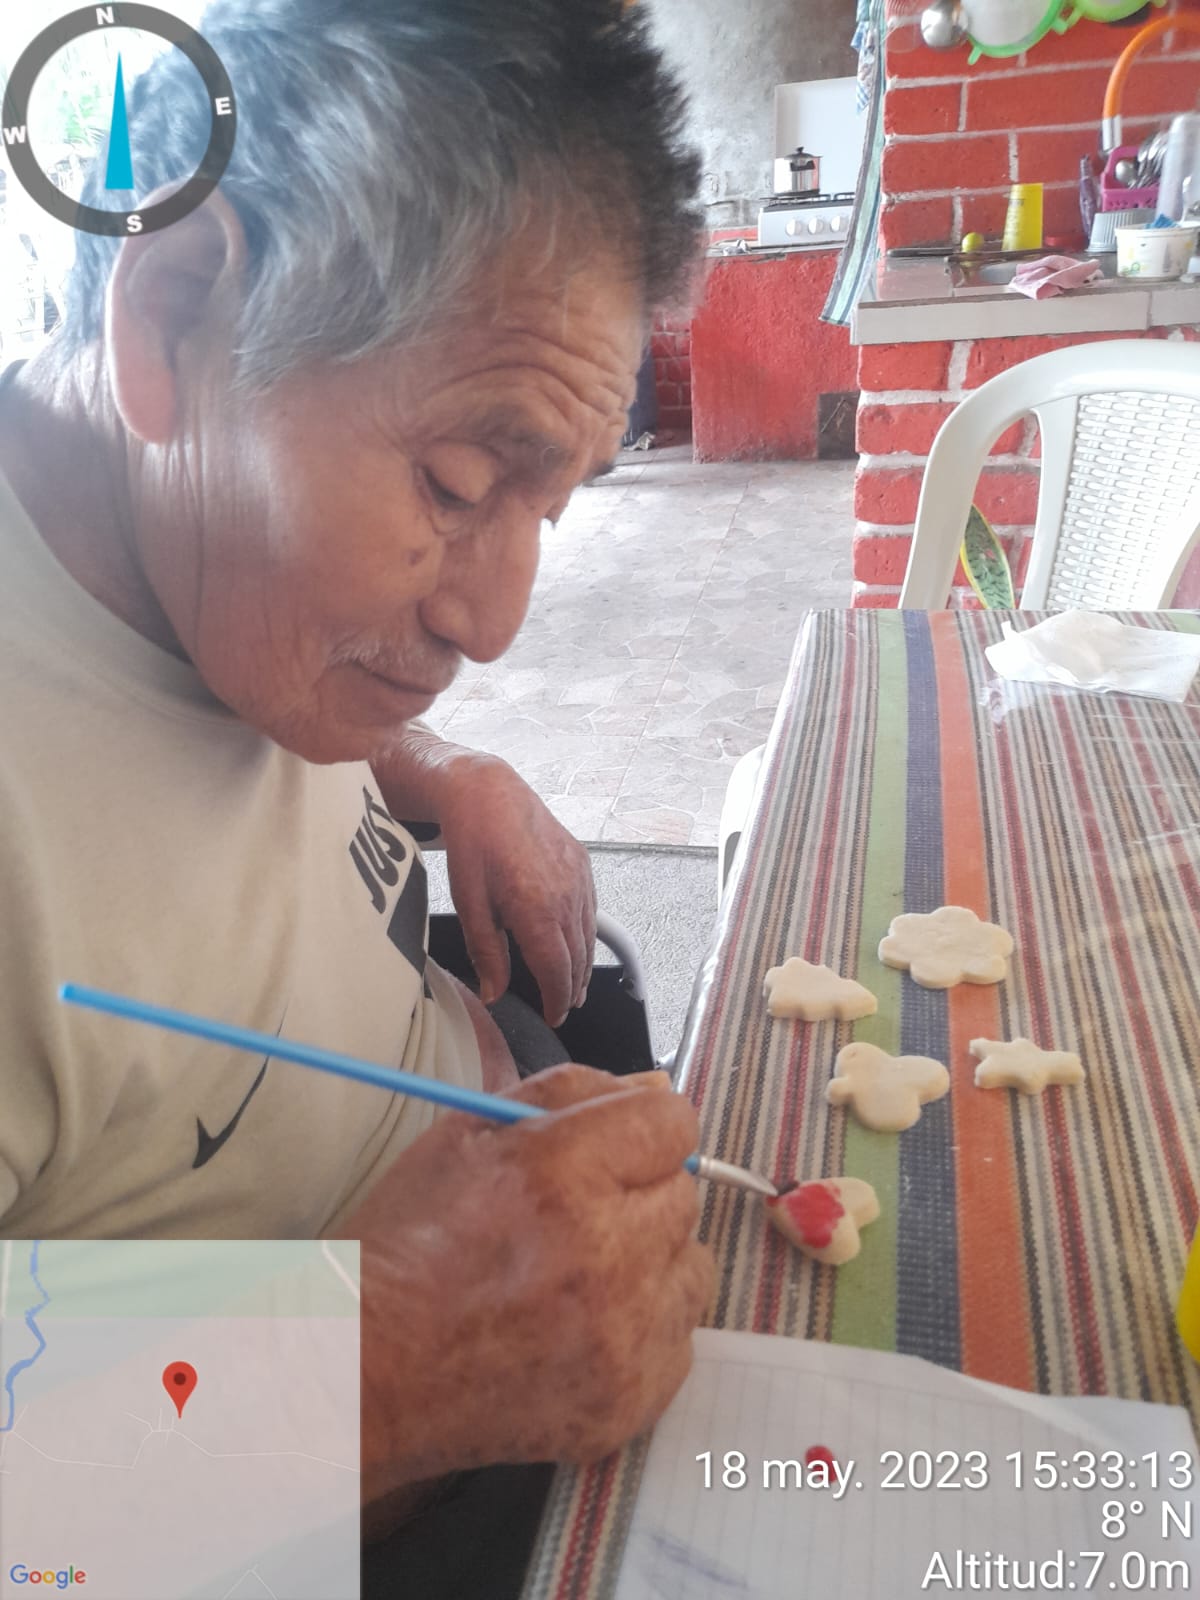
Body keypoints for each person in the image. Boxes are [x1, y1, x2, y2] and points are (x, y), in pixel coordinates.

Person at [0, 0, 714, 1579]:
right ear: (174, 308)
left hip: (492, 1112)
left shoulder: (179, 552)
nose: (497, 622)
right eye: (457, 485)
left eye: (549, 506)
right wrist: (385, 1370)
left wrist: (445, 767)